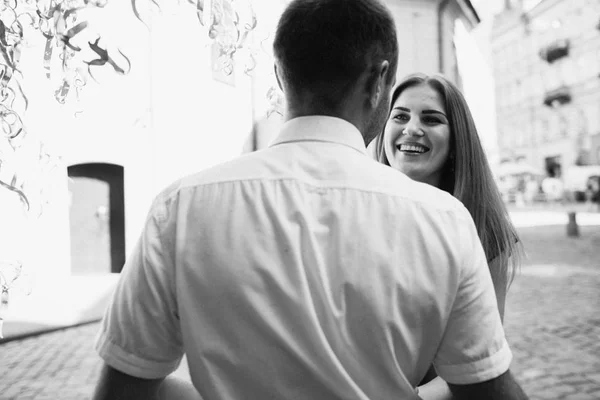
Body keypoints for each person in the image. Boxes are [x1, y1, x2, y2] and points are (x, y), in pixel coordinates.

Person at [93, 1, 528, 400]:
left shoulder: (180, 207)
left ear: (281, 75)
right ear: (379, 81)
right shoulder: (444, 219)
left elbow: (124, 389)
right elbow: (486, 391)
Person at [369, 72, 524, 397]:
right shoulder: (362, 210)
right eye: (399, 116)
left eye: (432, 119)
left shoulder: (485, 230)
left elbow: (482, 360)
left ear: (456, 140)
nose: (411, 128)